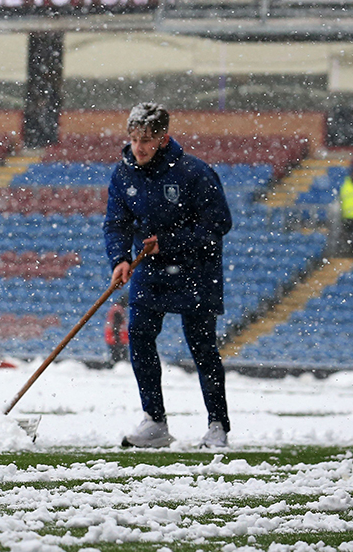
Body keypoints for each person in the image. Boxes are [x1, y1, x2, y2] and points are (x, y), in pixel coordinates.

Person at [103, 102, 232, 449]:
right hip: (150, 271)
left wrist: (170, 243)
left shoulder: (195, 173)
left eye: (146, 139)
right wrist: (120, 258)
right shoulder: (123, 175)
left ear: (163, 138)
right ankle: (155, 420)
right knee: (140, 337)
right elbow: (116, 223)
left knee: (202, 347)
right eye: (133, 139)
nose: (139, 147)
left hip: (197, 271)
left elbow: (219, 225)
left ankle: (217, 424)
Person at [104, 293, 129, 365]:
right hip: (117, 339)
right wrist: (117, 340)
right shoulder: (118, 310)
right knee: (120, 359)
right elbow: (116, 326)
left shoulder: (115, 308)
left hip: (113, 338)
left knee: (115, 358)